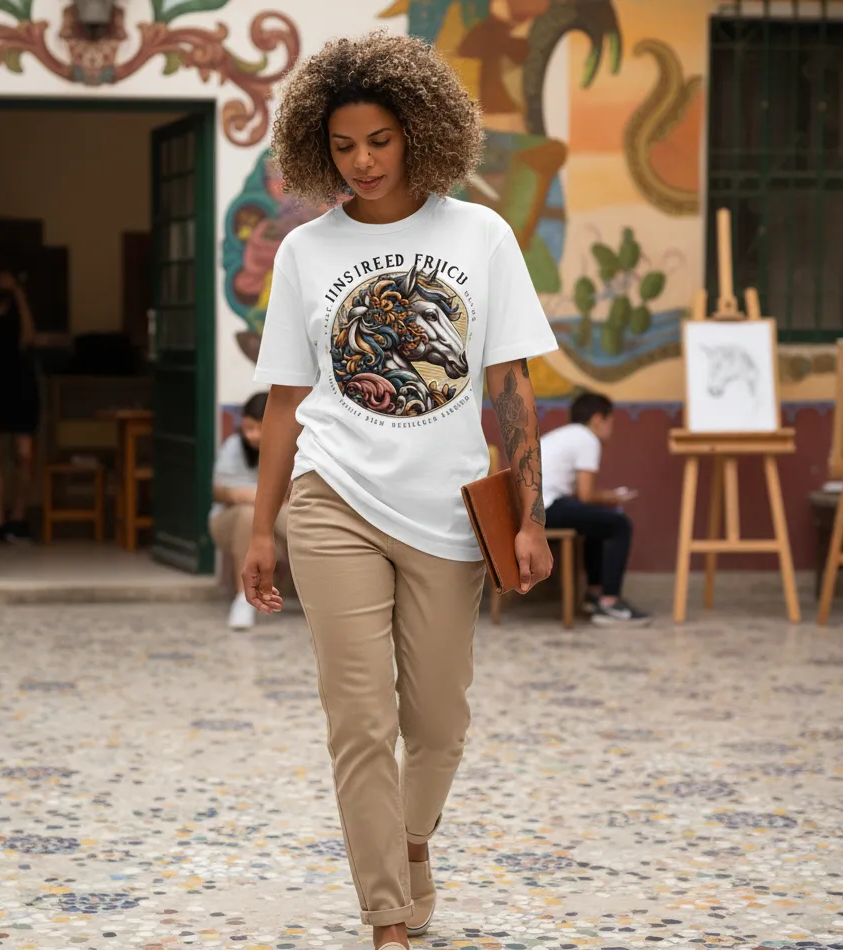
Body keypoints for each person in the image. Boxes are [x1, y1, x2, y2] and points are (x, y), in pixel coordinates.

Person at [240, 31, 558, 950]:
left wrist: (529, 516)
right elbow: (286, 402)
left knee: (439, 722)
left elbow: (509, 386)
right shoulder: (307, 251)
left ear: (418, 130)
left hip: (448, 512)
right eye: (343, 145)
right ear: (320, 146)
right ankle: (388, 917)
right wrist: (262, 530)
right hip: (333, 498)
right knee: (359, 719)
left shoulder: (481, 236)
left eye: (379, 140)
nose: (363, 162)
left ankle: (412, 838)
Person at [541, 392, 651, 625]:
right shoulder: (587, 439)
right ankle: (610, 603)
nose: (612, 428)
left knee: (598, 522)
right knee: (619, 524)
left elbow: (582, 497)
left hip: (532, 507)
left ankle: (594, 594)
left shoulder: (564, 435)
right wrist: (614, 497)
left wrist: (605, 501)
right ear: (598, 419)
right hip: (545, 508)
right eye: (611, 421)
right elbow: (586, 495)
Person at [209, 391, 288, 630]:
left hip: (276, 522)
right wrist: (260, 498)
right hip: (230, 521)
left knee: (297, 516)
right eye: (247, 428)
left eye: (258, 428)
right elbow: (221, 492)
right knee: (249, 515)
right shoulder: (234, 447)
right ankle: (244, 599)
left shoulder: (293, 446)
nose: (252, 435)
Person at [0, 259, 40, 543]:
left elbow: (28, 337)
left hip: (20, 382)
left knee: (24, 456)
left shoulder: (20, 303)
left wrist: (18, 293)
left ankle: (18, 516)